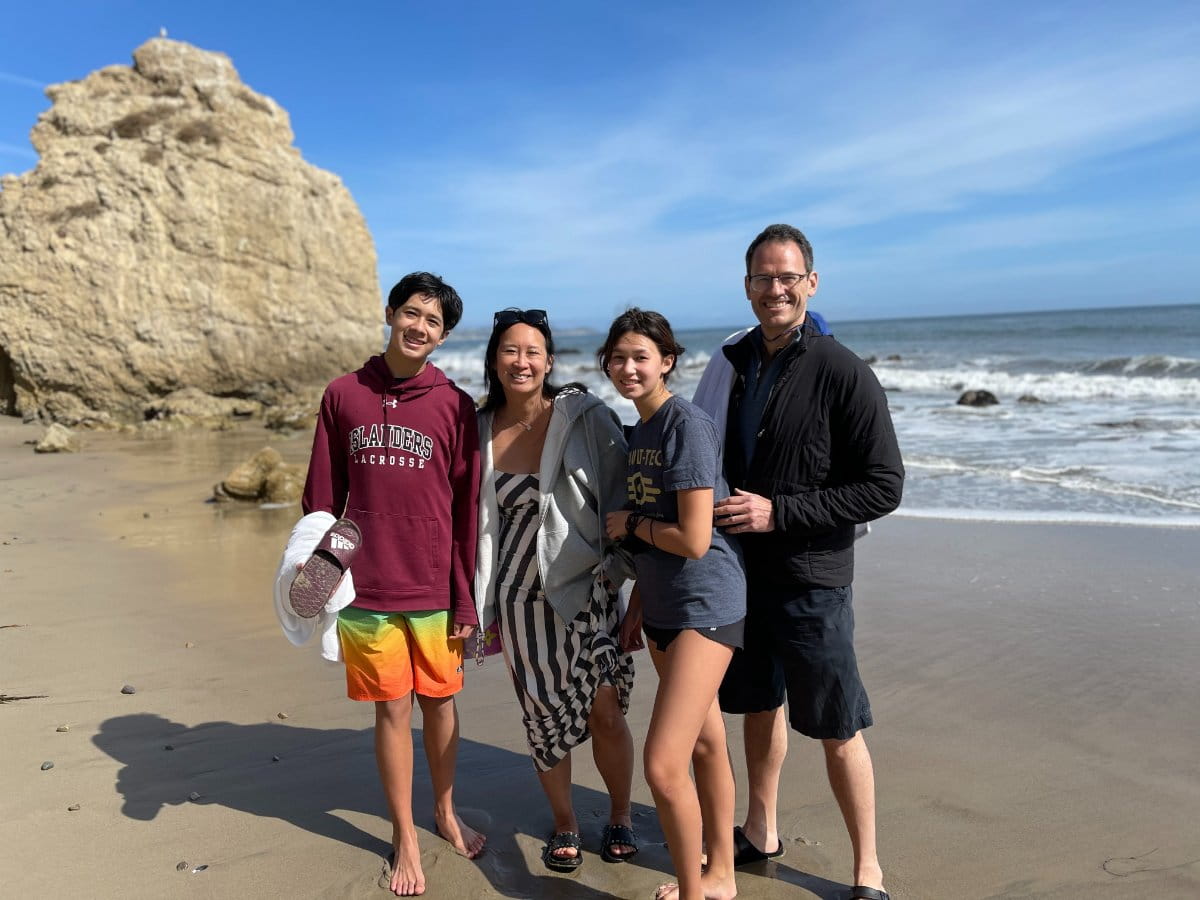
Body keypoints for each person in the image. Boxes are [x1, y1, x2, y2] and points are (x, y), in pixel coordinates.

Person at [692, 224, 903, 900]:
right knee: (758, 705)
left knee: (837, 723)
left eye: (787, 277)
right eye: (762, 277)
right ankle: (761, 827)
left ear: (811, 282)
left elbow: (883, 485)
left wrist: (778, 512)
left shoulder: (842, 369)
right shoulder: (733, 359)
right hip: (739, 573)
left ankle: (867, 868)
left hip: (812, 578)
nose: (775, 288)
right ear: (747, 286)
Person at [301, 271, 486, 897]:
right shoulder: (342, 395)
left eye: (433, 322)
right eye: (411, 313)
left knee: (440, 702)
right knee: (392, 709)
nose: (419, 328)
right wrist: (319, 578)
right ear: (390, 312)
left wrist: (467, 596)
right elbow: (320, 502)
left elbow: (468, 513)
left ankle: (445, 810)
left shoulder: (456, 405)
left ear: (443, 335)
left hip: (435, 585)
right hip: (366, 588)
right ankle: (405, 832)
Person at [473, 308, 639, 873]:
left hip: (584, 590)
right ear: (495, 359)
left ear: (548, 361)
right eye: (510, 351)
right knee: (543, 719)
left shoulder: (584, 417)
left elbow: (623, 496)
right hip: (518, 602)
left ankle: (620, 814)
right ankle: (566, 822)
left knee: (605, 710)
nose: (521, 361)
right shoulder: (477, 427)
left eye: (532, 352)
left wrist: (621, 577)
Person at [600, 308, 747, 900]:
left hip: (705, 603)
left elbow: (692, 537)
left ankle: (695, 893)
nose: (628, 367)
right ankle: (722, 877)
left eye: (641, 356)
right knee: (707, 742)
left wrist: (629, 522)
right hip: (661, 603)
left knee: (663, 766)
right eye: (618, 357)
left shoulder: (686, 425)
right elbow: (658, 535)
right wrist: (636, 597)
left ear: (667, 362)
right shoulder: (640, 432)